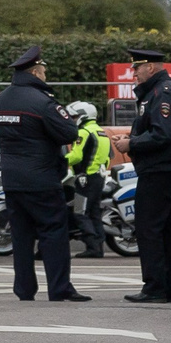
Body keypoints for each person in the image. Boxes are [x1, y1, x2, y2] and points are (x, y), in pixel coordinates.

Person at [0, 47, 89, 304]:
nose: (45, 76)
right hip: (41, 179)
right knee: (53, 233)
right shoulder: (42, 102)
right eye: (44, 72)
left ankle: (24, 289)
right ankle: (59, 288)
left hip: (12, 180)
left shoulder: (0, 101)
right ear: (35, 72)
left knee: (21, 237)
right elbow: (69, 132)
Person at [123, 49, 171, 305]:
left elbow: (163, 134)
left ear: (150, 67)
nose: (134, 73)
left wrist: (132, 143)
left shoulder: (162, 93)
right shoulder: (157, 91)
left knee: (149, 229)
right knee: (167, 230)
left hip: (160, 170)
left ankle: (155, 287)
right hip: (164, 169)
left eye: (137, 68)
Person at [63, 102, 111, 260]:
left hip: (85, 179)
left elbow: (76, 156)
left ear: (83, 116)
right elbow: (108, 158)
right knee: (94, 213)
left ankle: (92, 246)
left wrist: (59, 161)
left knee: (80, 212)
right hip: (98, 178)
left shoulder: (83, 132)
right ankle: (98, 247)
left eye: (74, 116)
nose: (72, 119)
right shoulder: (101, 132)